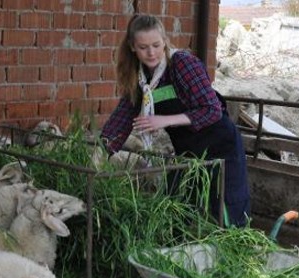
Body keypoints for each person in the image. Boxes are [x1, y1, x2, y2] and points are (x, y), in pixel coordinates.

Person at [100, 14, 251, 227]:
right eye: (143, 47)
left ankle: (231, 252)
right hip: (187, 152)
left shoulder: (182, 64)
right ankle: (180, 255)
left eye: (156, 45)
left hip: (219, 148)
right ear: (133, 47)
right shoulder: (139, 77)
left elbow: (212, 110)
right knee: (176, 209)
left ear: (165, 41)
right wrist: (101, 149)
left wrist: (164, 120)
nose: (151, 52)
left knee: (227, 211)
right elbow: (122, 117)